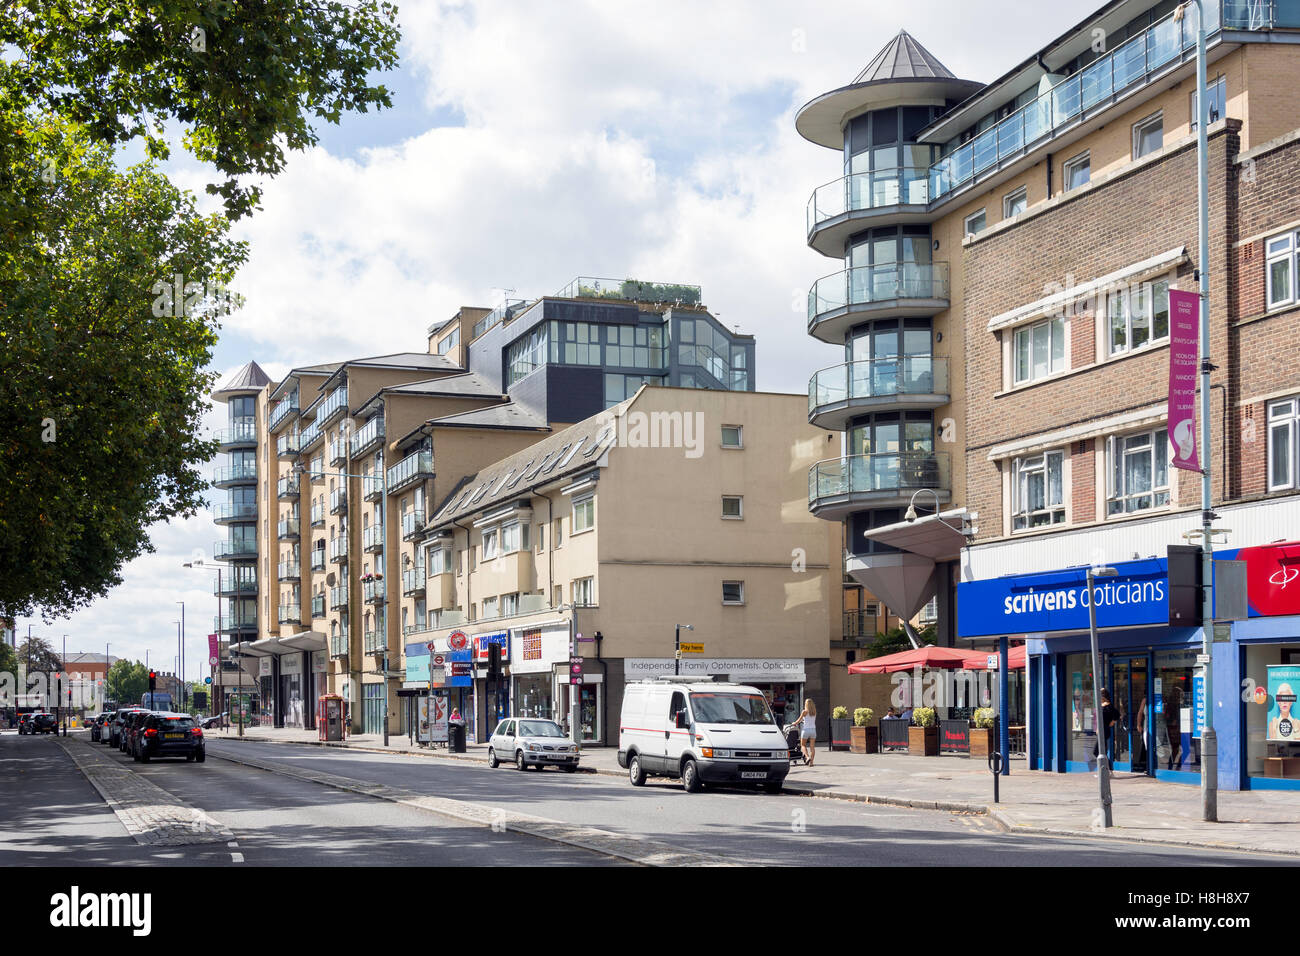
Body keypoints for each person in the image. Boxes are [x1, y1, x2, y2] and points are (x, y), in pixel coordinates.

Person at [789, 698, 818, 767]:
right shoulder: (814, 711)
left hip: (806, 730)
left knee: (803, 745)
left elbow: (798, 721)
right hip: (813, 730)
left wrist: (794, 723)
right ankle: (811, 763)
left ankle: (807, 757)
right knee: (812, 747)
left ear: (806, 704)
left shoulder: (804, 712)